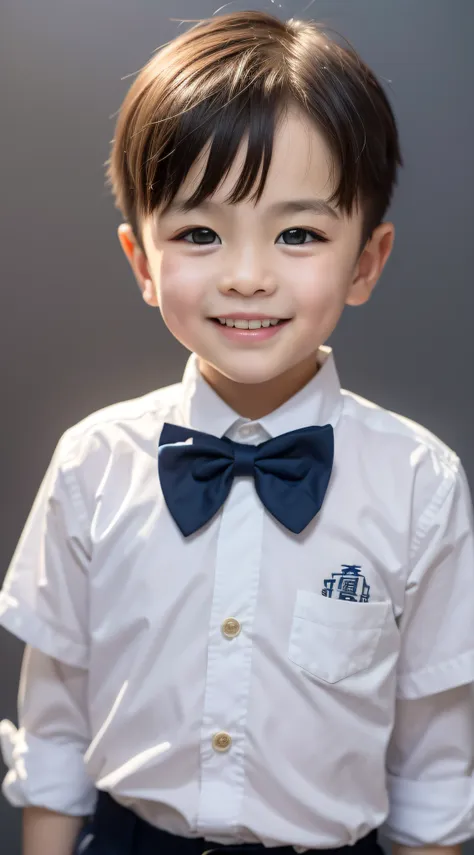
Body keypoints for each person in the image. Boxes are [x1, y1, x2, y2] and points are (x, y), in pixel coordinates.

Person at [1, 9, 473, 855]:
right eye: (199, 233)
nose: (248, 275)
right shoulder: (92, 464)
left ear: (367, 259)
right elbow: (56, 721)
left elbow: (433, 762)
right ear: (143, 262)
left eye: (299, 233)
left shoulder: (420, 482)